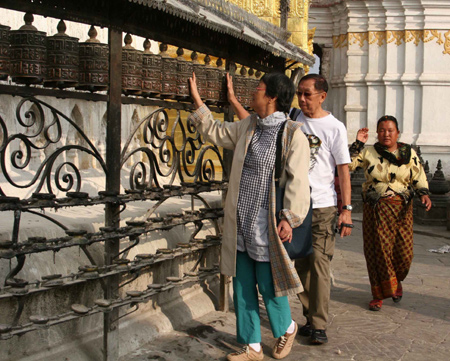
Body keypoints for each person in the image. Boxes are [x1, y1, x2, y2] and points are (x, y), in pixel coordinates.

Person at [188, 72, 311, 360]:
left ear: (271, 97)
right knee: (242, 284)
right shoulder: (249, 126)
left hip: (268, 223)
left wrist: (288, 217)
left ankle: (287, 327)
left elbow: (298, 181)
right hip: (241, 219)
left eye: (258, 89)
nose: (253, 93)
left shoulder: (293, 134)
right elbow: (217, 131)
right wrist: (196, 100)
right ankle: (252, 345)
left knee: (269, 284)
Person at [290, 74, 353, 345]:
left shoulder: (335, 127)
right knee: (301, 264)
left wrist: (346, 209)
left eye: (308, 94)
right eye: (299, 94)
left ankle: (318, 323)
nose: (302, 99)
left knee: (319, 264)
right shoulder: (293, 120)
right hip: (295, 205)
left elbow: (343, 170)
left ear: (322, 95)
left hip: (323, 206)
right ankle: (309, 315)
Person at [349, 116, 432, 311]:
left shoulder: (408, 153)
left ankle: (396, 280)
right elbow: (348, 164)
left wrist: (424, 194)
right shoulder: (369, 152)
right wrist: (358, 144)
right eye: (382, 130)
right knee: (377, 251)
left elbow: (418, 175)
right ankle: (378, 293)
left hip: (401, 209)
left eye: (390, 130)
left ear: (398, 132)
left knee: (404, 253)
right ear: (377, 133)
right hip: (375, 209)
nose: (386, 134)